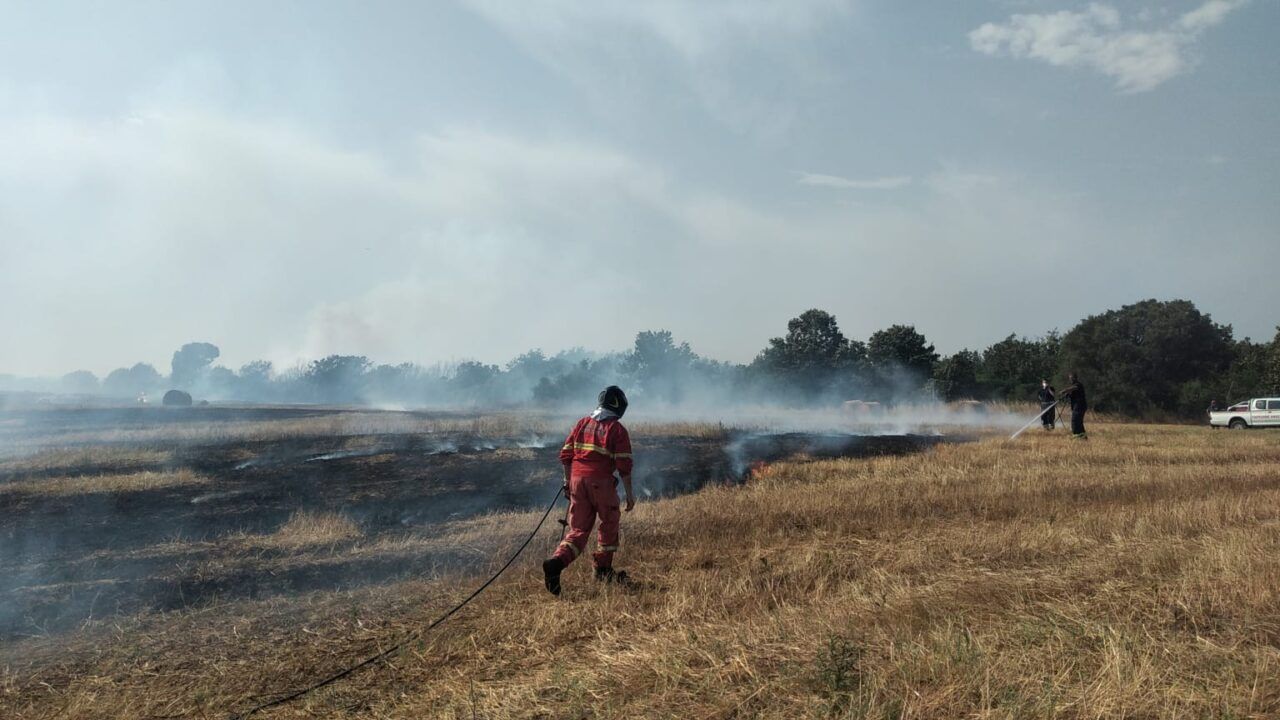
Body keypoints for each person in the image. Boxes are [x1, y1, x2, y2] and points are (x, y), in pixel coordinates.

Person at [542, 386, 636, 595]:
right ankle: (602, 569)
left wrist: (568, 481)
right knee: (609, 523)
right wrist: (629, 494)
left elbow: (566, 455)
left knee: (578, 530)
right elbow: (624, 465)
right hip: (600, 483)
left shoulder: (582, 423)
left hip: (577, 481)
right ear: (618, 405)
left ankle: (556, 563)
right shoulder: (617, 429)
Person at [1060, 373, 1088, 440]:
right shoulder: (1073, 386)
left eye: (1071, 378)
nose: (1070, 380)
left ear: (1075, 378)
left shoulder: (1078, 385)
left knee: (1074, 421)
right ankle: (1083, 437)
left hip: (1080, 406)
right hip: (1077, 407)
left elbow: (1073, 388)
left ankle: (1076, 436)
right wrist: (1065, 396)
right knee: (1079, 422)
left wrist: (1064, 391)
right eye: (1070, 378)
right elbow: (1071, 393)